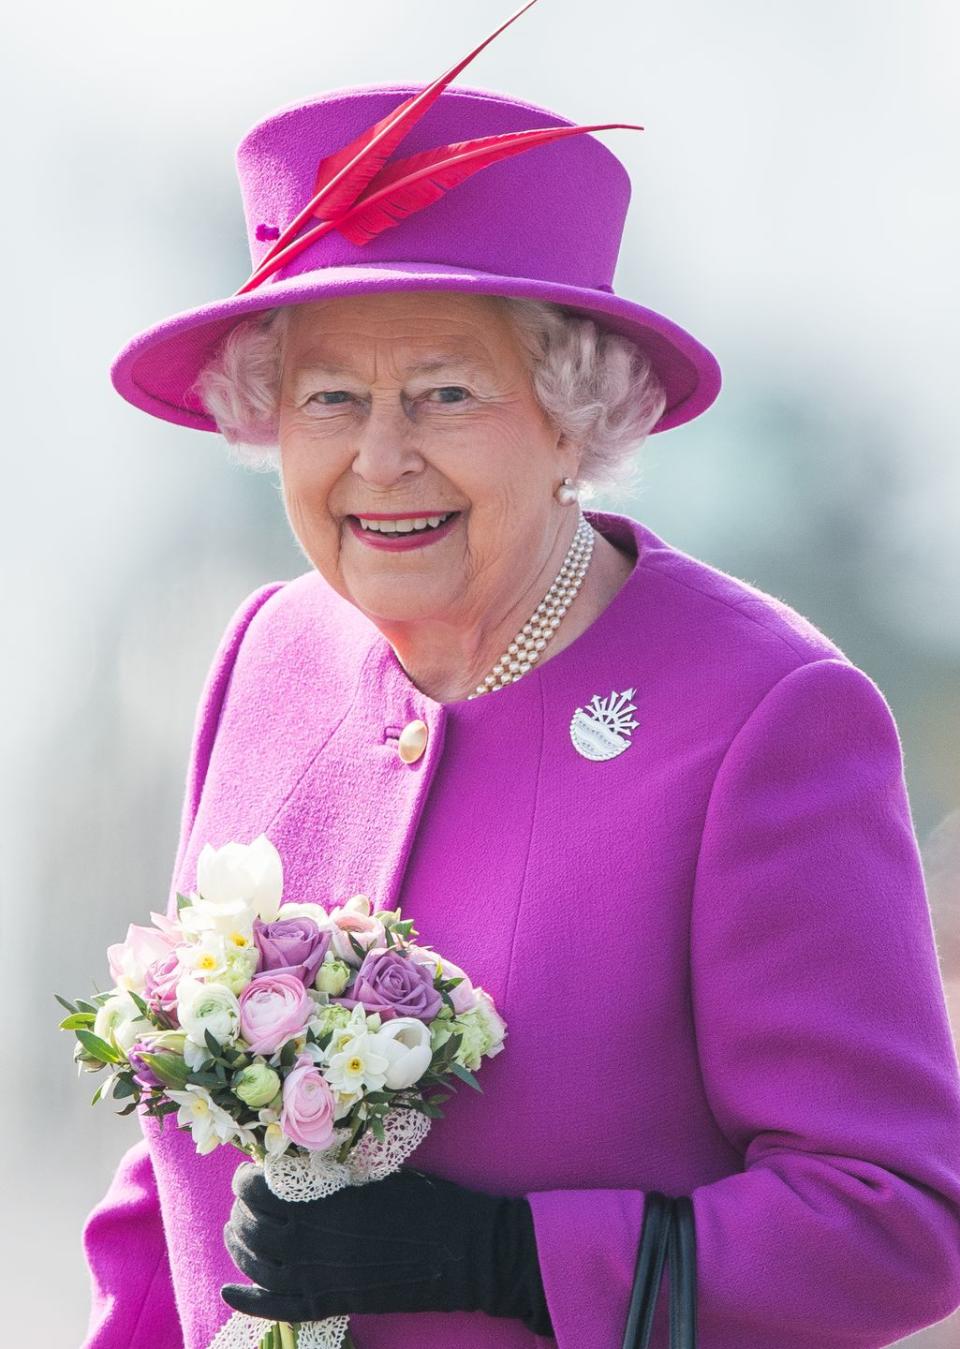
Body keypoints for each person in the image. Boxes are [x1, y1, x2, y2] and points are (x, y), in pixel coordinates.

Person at [81, 27, 960, 1349]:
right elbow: (171, 1183)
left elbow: (899, 1215)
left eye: (444, 391)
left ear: (576, 412)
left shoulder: (763, 715)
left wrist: (510, 1256)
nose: (381, 457)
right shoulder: (263, 653)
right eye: (328, 395)